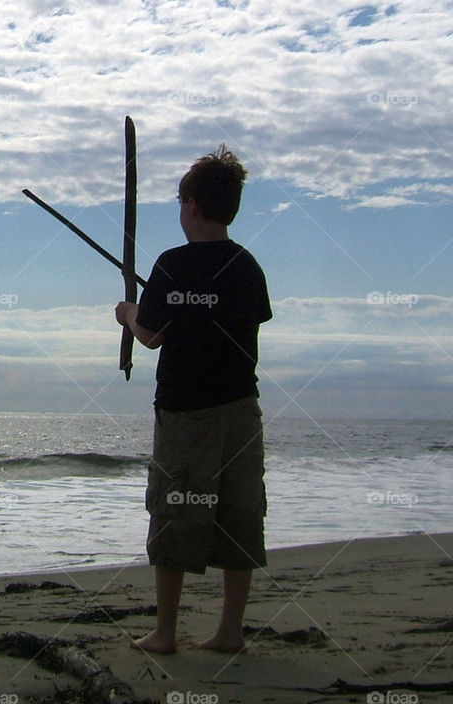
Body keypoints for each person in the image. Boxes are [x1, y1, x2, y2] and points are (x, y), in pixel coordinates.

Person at [114, 145, 271, 654]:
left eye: (182, 201)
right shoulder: (247, 265)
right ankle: (230, 630)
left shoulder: (173, 264)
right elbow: (240, 321)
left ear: (194, 207)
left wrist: (127, 313)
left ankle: (165, 631)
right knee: (239, 511)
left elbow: (151, 335)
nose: (181, 211)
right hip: (241, 409)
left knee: (174, 511)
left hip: (185, 411)